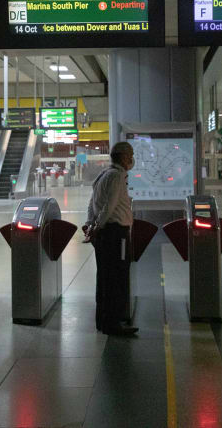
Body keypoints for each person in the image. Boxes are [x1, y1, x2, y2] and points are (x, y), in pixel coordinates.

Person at [86, 141, 138, 336]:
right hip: (116, 234)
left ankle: (103, 320)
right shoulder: (116, 177)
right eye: (130, 154)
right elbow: (109, 206)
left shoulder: (103, 175)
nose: (132, 159)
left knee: (105, 277)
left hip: (105, 233)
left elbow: (92, 204)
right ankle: (114, 323)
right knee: (117, 277)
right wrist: (97, 226)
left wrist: (91, 225)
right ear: (123, 157)